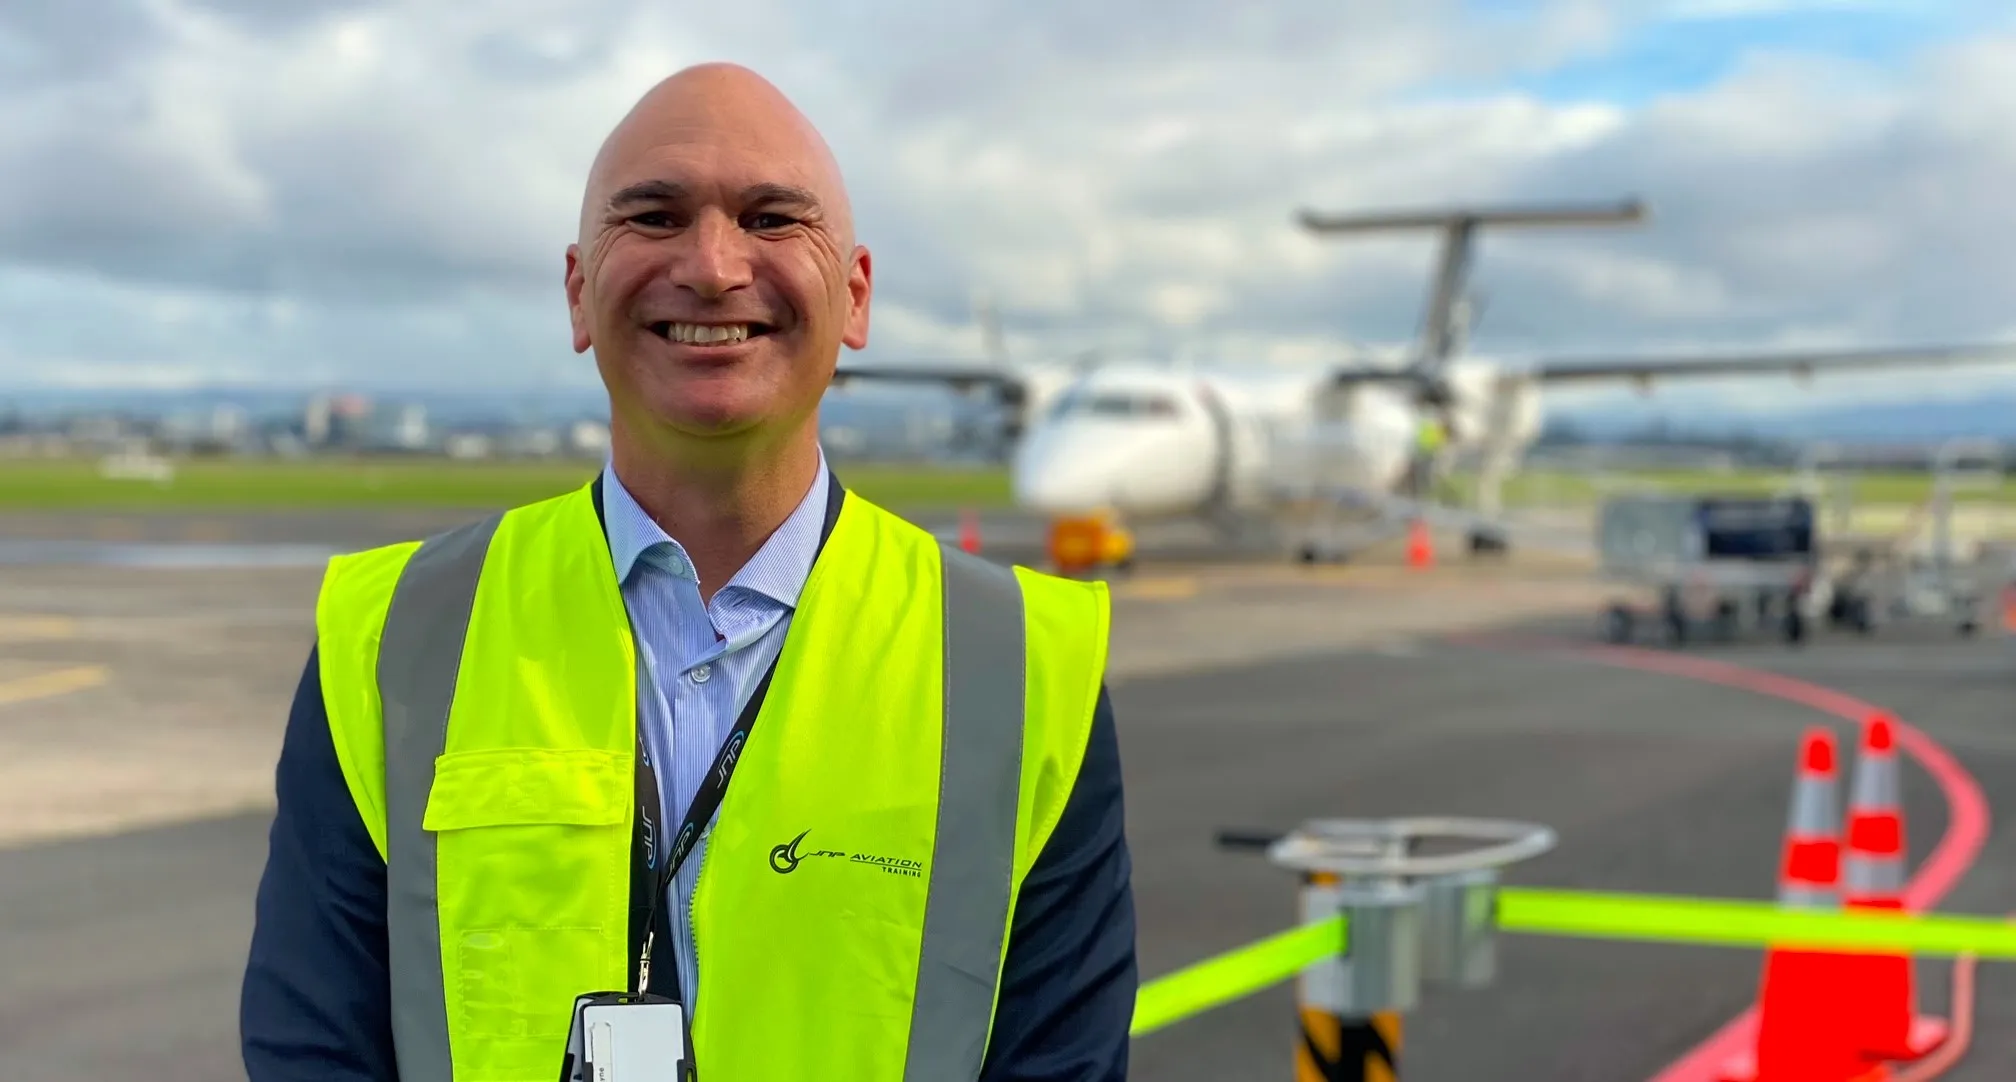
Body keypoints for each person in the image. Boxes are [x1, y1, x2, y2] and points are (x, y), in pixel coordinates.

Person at [239, 63, 1136, 1081]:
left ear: (855, 294)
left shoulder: (1021, 662)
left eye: (770, 217)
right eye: (656, 217)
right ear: (580, 293)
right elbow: (313, 1048)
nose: (713, 266)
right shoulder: (396, 634)